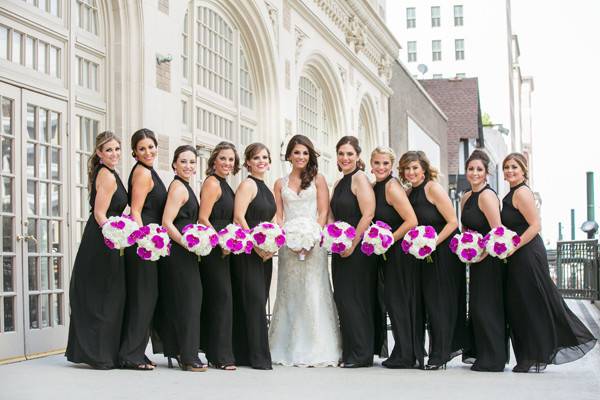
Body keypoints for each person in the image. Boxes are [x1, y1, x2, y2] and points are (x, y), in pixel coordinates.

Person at [501, 153, 596, 373]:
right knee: (524, 303)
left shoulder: (523, 192)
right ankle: (532, 355)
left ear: (524, 170)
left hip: (527, 254)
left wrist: (513, 245)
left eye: (514, 167)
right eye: (506, 167)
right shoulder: (513, 193)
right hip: (519, 254)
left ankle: (535, 357)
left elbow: (535, 226)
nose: (509, 170)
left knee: (531, 302)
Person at [269, 135, 342, 367]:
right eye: (297, 152)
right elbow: (278, 215)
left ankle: (318, 347)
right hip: (288, 246)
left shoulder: (319, 179)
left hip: (314, 244)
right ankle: (286, 347)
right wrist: (284, 237)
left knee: (314, 291)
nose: (301, 157)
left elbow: (322, 213)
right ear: (289, 154)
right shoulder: (279, 183)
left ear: (310, 156)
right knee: (289, 292)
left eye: (305, 153)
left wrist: (311, 237)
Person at [66, 131, 128, 369]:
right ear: (99, 154)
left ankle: (104, 352)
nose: (114, 154)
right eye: (109, 150)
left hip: (109, 237)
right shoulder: (107, 176)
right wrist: (116, 234)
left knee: (109, 295)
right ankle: (98, 354)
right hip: (103, 240)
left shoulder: (112, 174)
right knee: (103, 295)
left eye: (117, 149)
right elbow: (100, 214)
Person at [400, 150, 465, 370]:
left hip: (442, 252)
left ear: (424, 169)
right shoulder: (408, 193)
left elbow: (452, 222)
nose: (411, 172)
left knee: (439, 303)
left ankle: (439, 355)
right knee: (425, 302)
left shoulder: (432, 188)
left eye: (415, 168)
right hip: (420, 253)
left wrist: (432, 243)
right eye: (407, 168)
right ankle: (424, 352)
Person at [330, 136, 384, 368]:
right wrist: (333, 237)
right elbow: (333, 213)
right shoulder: (339, 182)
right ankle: (351, 350)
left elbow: (368, 213)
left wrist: (352, 242)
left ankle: (361, 354)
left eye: (350, 154)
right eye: (341, 153)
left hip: (359, 249)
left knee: (357, 299)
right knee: (343, 298)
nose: (345, 158)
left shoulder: (359, 178)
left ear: (358, 156)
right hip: (341, 248)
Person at [154, 145, 206, 372]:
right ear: (174, 164)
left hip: (185, 253)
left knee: (188, 301)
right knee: (189, 302)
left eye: (192, 162)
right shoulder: (178, 188)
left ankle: (183, 351)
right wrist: (186, 243)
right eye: (183, 161)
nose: (188, 166)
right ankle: (188, 356)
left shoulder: (185, 186)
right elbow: (167, 222)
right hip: (178, 253)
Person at [370, 147, 422, 369]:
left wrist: (388, 240)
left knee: (400, 301)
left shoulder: (392, 187)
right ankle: (402, 350)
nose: (381, 168)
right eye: (377, 163)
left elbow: (411, 220)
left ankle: (406, 355)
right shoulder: (374, 187)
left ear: (391, 167)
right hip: (387, 253)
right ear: (371, 164)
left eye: (385, 164)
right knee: (392, 301)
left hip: (399, 253)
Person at [119, 128, 167, 370]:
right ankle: (131, 354)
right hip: (143, 245)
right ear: (134, 153)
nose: (148, 152)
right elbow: (135, 210)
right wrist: (144, 241)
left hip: (150, 243)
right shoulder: (141, 173)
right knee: (143, 297)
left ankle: (136, 350)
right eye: (142, 149)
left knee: (148, 297)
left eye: (151, 146)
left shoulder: (149, 171)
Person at [460, 150, 508, 372]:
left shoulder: (488, 196)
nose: (475, 173)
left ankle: (494, 358)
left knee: (487, 307)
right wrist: (465, 248)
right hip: (476, 259)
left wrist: (483, 254)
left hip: (490, 260)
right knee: (477, 307)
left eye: (479, 169)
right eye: (471, 169)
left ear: (487, 173)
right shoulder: (465, 197)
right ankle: (481, 353)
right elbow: (465, 229)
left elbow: (498, 231)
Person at [231, 143, 276, 369]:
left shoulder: (265, 187)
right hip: (248, 253)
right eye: (256, 157)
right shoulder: (247, 185)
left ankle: (246, 354)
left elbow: (271, 221)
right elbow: (239, 217)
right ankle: (257, 357)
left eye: (265, 157)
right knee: (254, 301)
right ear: (248, 162)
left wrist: (272, 245)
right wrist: (256, 245)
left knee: (259, 300)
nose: (261, 161)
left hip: (264, 254)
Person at [198, 142, 239, 370]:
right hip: (214, 249)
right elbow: (203, 218)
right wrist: (221, 242)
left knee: (223, 300)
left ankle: (219, 352)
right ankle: (219, 356)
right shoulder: (212, 183)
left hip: (225, 249)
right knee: (220, 299)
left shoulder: (225, 183)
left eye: (231, 159)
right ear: (214, 160)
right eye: (223, 158)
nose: (227, 163)